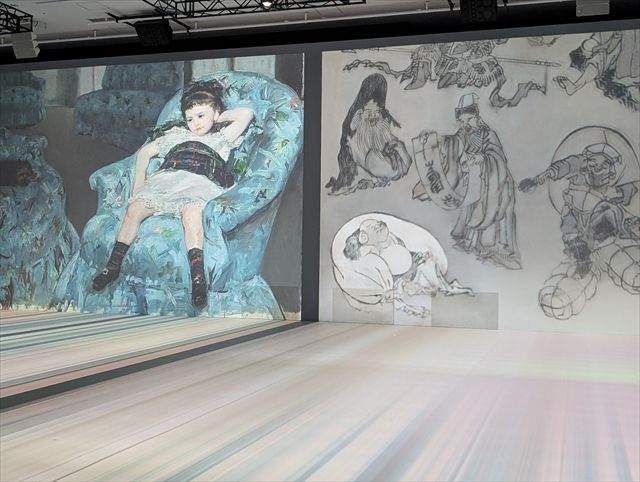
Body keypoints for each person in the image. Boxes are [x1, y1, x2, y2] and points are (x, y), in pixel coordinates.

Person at [91, 80, 254, 310]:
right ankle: (113, 266)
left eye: (201, 116)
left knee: (192, 213)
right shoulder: (176, 135)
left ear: (215, 113)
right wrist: (139, 182)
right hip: (167, 182)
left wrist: (218, 117)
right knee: (134, 209)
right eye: (190, 118)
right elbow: (145, 153)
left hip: (198, 183)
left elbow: (246, 114)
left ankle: (198, 279)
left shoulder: (221, 138)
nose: (195, 123)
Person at [344, 218, 473, 299]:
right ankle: (444, 287)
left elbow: (403, 248)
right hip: (402, 275)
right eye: (375, 228)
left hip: (411, 263)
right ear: (364, 237)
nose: (379, 227)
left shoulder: (390, 236)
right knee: (425, 271)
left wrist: (415, 257)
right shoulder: (370, 250)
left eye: (379, 225)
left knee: (429, 264)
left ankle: (445, 287)